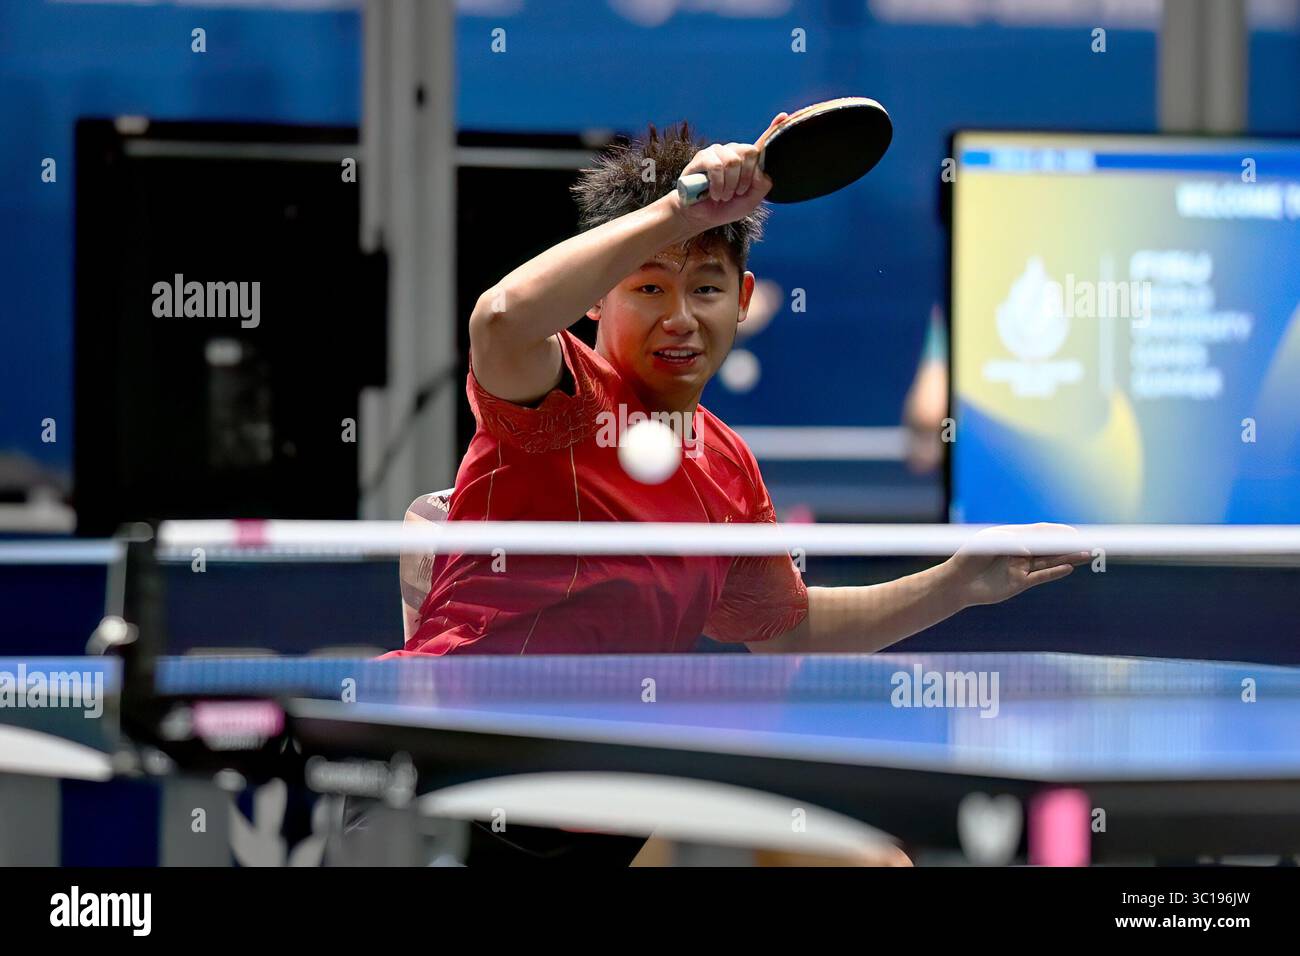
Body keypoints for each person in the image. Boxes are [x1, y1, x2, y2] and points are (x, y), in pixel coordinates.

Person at [390, 116, 1086, 658]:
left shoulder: (724, 468)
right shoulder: (559, 399)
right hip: (467, 750)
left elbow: (789, 631)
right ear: (598, 297)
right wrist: (682, 213)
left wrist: (957, 583)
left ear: (744, 299)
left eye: (707, 289)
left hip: (604, 771)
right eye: (651, 287)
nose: (681, 318)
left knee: (874, 854)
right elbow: (503, 317)